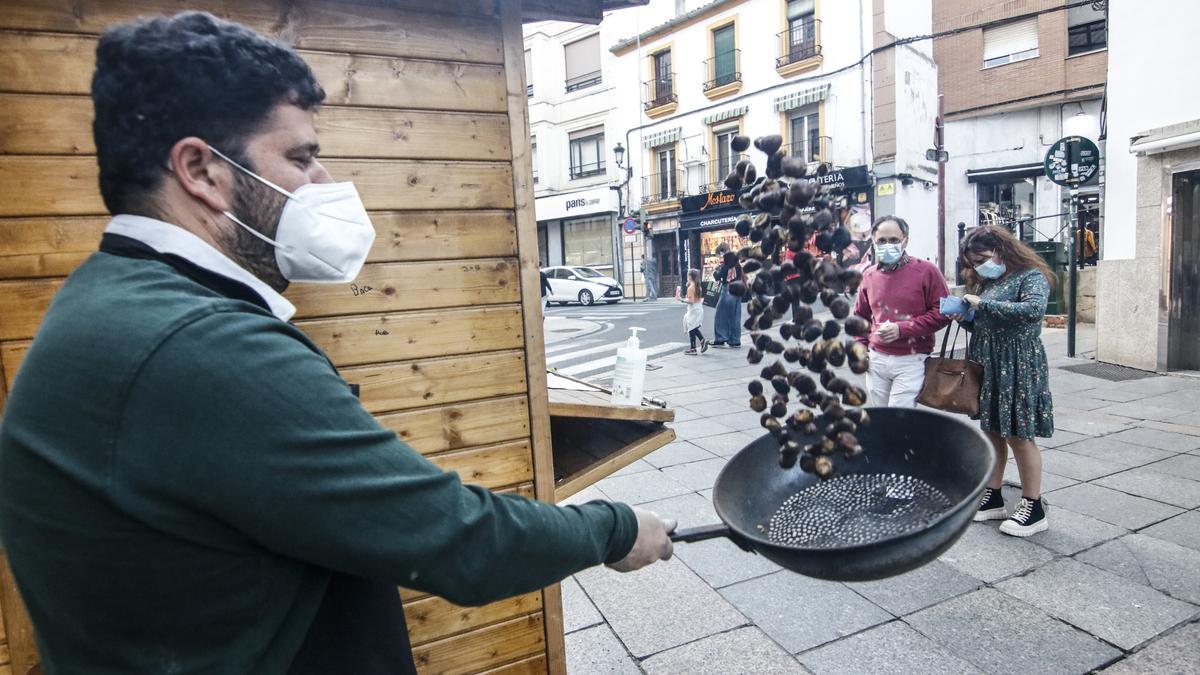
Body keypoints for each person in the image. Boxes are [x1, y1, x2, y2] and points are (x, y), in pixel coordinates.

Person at [0, 13, 675, 674]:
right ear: (200, 171)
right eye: (300, 157)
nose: (324, 182)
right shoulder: (201, 347)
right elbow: (455, 538)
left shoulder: (112, 296)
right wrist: (613, 528)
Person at [951, 225, 1054, 537]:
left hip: (1018, 364)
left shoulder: (1031, 275)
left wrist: (982, 304)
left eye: (982, 258)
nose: (979, 265)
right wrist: (967, 318)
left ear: (1002, 250)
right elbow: (991, 322)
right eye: (973, 261)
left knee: (1020, 436)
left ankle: (1032, 506)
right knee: (993, 431)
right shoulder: (991, 280)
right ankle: (993, 495)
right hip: (990, 363)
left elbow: (1033, 310)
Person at [852, 216, 951, 407]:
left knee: (900, 418)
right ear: (873, 241)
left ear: (905, 239)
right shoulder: (869, 275)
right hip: (876, 359)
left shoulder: (927, 271)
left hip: (912, 360)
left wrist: (902, 329)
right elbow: (860, 316)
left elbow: (943, 312)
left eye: (893, 240)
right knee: (882, 419)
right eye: (881, 241)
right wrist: (861, 346)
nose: (887, 245)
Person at [711, 249, 743, 347]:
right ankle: (735, 340)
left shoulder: (725, 267)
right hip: (738, 290)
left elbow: (718, 277)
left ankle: (720, 338)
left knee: (720, 316)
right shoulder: (738, 266)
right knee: (735, 316)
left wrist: (715, 270)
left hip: (727, 290)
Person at [679, 268, 709, 355]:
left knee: (691, 328)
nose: (687, 277)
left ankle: (694, 348)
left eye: (688, 275)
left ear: (690, 276)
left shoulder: (691, 288)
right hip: (698, 308)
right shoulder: (697, 286)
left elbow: (691, 301)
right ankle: (700, 342)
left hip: (693, 309)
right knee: (693, 328)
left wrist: (681, 300)